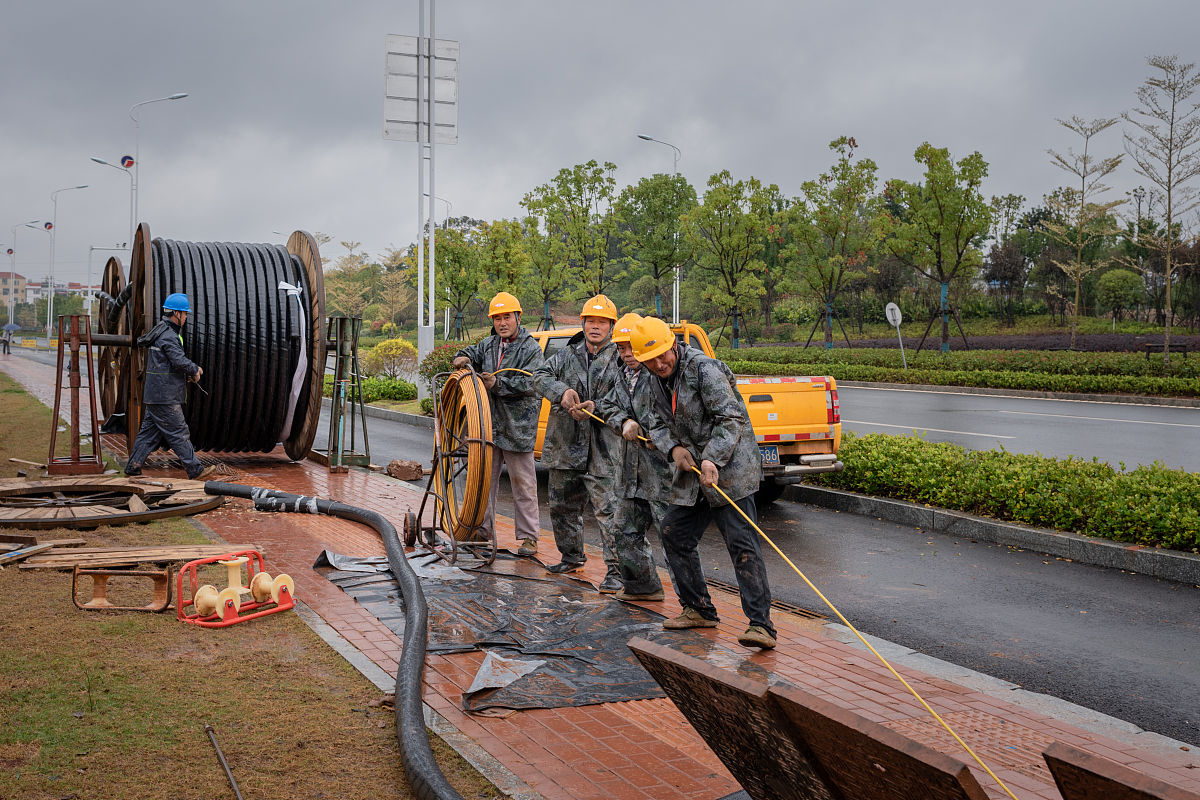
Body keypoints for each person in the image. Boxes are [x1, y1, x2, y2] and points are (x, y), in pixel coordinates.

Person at [630, 316, 777, 649]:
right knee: (673, 532)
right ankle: (698, 608)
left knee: (742, 546)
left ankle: (761, 625)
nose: (658, 363)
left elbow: (731, 418)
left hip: (729, 469)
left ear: (673, 344)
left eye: (662, 355)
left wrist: (712, 457)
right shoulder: (653, 379)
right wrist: (675, 448)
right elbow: (655, 423)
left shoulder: (703, 369)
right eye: (649, 360)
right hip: (694, 471)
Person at [532, 294, 636, 593]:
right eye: (591, 320)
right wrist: (561, 392)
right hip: (566, 443)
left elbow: (628, 395)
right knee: (563, 505)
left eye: (602, 322)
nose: (595, 327)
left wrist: (597, 407)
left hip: (604, 449)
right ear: (583, 322)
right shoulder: (567, 354)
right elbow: (539, 376)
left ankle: (617, 570)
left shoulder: (621, 359)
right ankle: (571, 556)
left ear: (612, 326)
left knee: (609, 510)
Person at [452, 291, 545, 554]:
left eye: (507, 317)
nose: (502, 323)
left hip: (518, 428)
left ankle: (529, 538)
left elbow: (533, 383)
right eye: (497, 318)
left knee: (523, 485)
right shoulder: (488, 345)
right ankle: (482, 532)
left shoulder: (530, 348)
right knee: (482, 484)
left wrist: (498, 383)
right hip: (488, 428)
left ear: (518, 317)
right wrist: (463, 357)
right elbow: (467, 353)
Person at [594, 312, 669, 601]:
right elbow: (608, 406)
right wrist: (623, 421)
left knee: (673, 537)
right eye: (621, 348)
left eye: (630, 347)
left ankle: (696, 604)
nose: (626, 354)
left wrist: (654, 434)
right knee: (623, 531)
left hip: (661, 473)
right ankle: (643, 586)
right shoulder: (622, 376)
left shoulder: (659, 374)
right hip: (630, 472)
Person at [124, 293, 216, 481]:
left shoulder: (161, 330)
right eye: (184, 314)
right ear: (175, 313)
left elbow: (168, 364)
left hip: (155, 393)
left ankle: (133, 467)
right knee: (179, 432)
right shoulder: (168, 335)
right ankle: (195, 470)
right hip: (165, 396)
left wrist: (185, 375)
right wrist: (195, 369)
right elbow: (178, 360)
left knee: (148, 434)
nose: (186, 317)